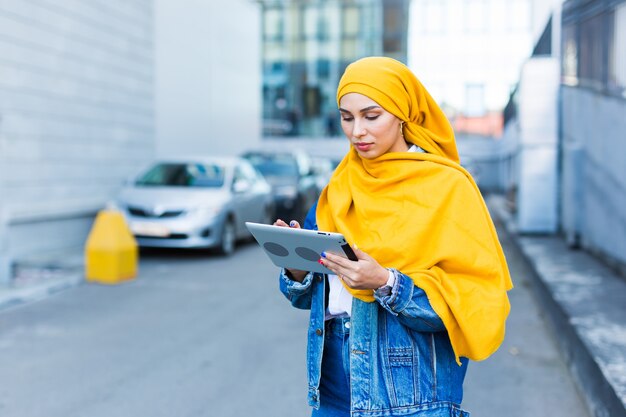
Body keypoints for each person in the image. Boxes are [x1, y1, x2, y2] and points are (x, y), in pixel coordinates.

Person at [273, 56, 513, 417]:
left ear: (402, 115)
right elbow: (311, 297)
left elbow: (471, 304)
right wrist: (295, 267)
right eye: (346, 117)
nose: (357, 132)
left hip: (412, 396)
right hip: (334, 389)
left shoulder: (448, 187)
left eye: (372, 116)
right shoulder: (339, 187)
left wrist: (385, 283)